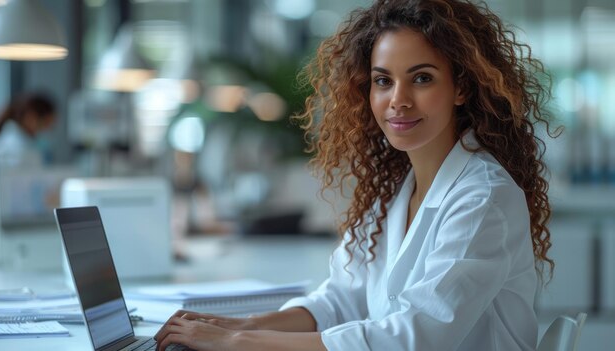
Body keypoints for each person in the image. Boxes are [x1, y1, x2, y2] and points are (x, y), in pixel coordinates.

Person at [155, 0, 557, 350]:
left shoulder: (484, 197)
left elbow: (412, 339)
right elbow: (338, 301)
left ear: (461, 88)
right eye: (384, 81)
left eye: (421, 78)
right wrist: (239, 326)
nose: (397, 100)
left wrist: (238, 343)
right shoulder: (398, 192)